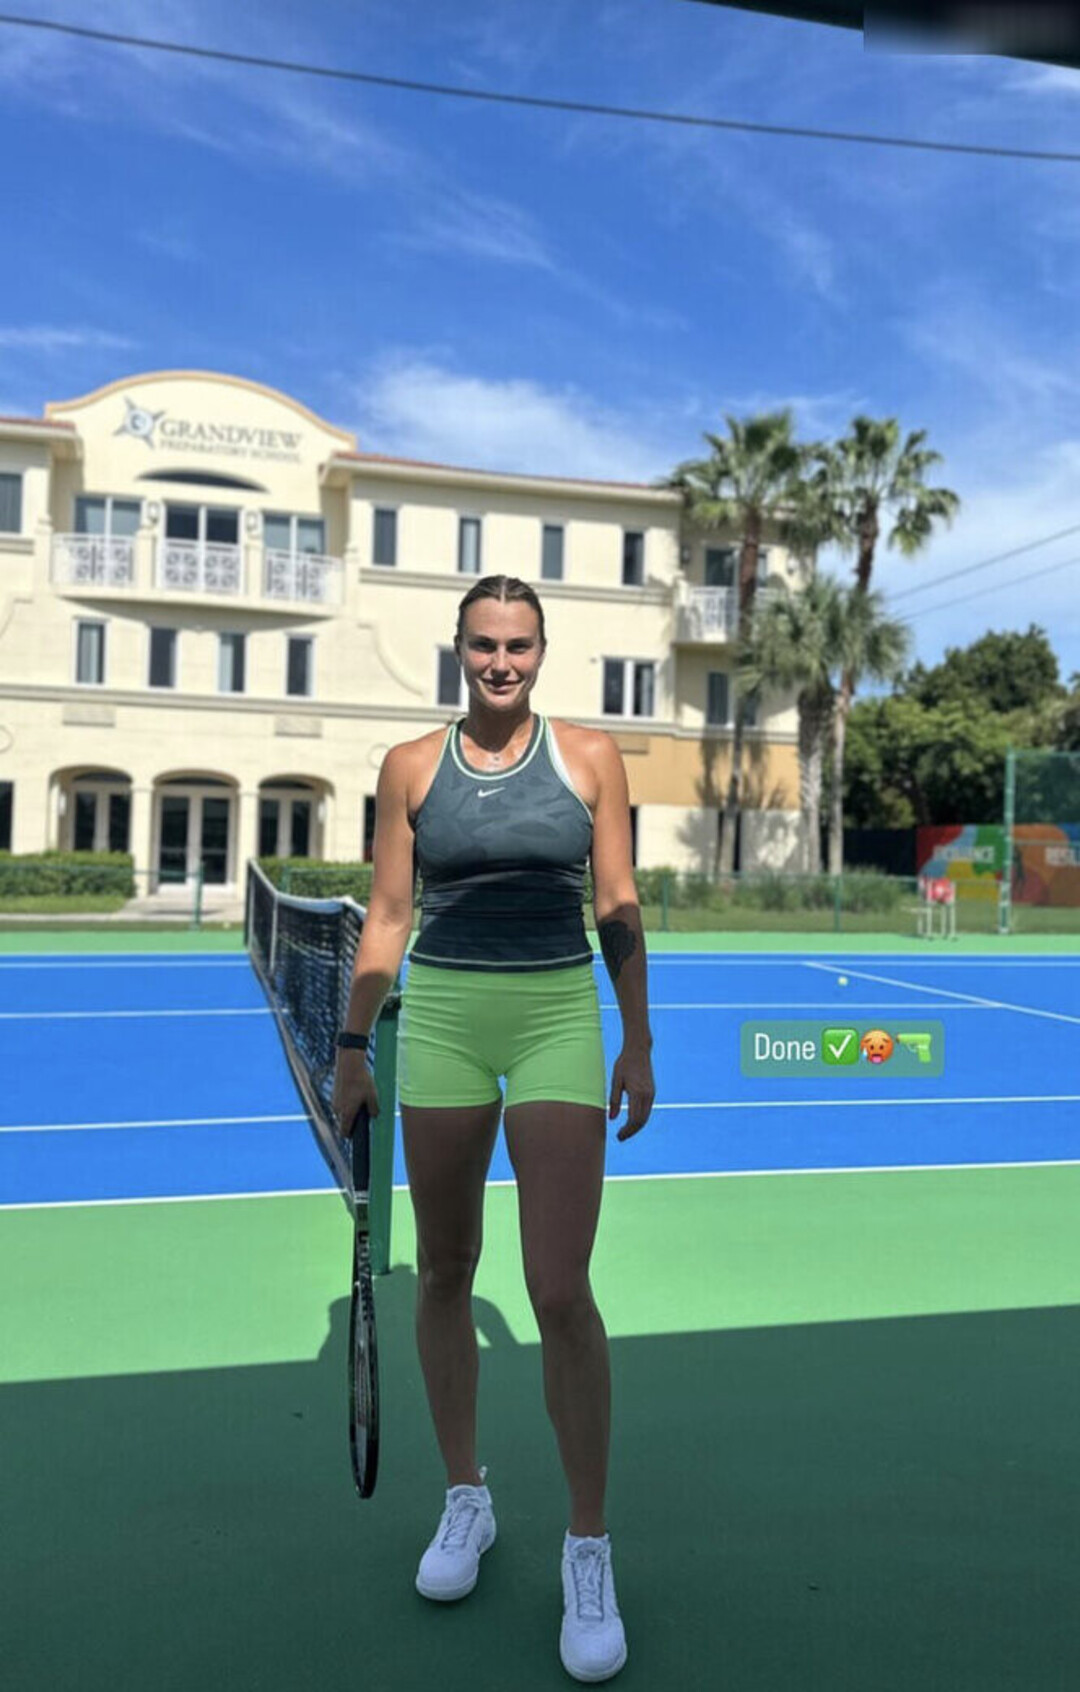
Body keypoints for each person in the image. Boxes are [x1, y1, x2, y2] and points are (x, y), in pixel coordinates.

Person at [332, 573, 655, 1683]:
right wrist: (354, 1044)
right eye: (483, 645)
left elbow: (617, 902)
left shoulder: (592, 757)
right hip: (444, 1022)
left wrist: (638, 1039)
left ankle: (587, 1545)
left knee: (559, 1292)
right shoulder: (410, 767)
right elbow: (389, 913)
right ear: (459, 649)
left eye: (518, 645)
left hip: (558, 1012)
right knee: (443, 1273)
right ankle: (466, 1496)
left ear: (541, 651)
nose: (500, 663)